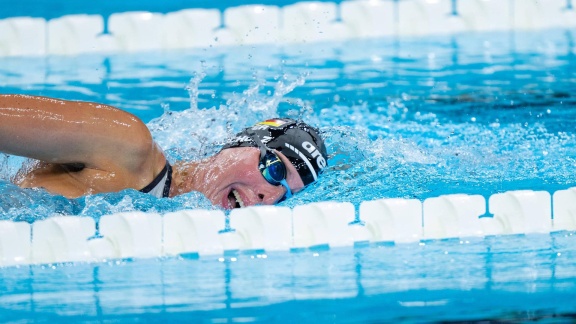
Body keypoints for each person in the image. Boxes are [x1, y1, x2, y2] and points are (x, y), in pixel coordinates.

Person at [0, 94, 328, 209]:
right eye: (274, 170)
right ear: (242, 142)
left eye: (284, 195)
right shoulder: (127, 145)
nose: (267, 199)